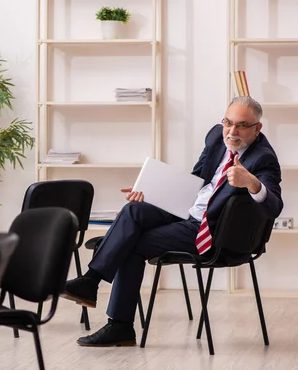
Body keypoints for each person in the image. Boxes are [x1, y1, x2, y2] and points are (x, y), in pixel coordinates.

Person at [61, 96, 283, 347]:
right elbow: (197, 179)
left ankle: (119, 325)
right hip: (187, 209)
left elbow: (274, 206)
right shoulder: (215, 138)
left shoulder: (263, 159)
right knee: (134, 210)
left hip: (210, 231)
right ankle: (91, 280)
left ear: (257, 128)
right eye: (228, 122)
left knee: (131, 243)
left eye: (242, 125)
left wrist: (252, 183)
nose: (232, 131)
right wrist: (152, 190)